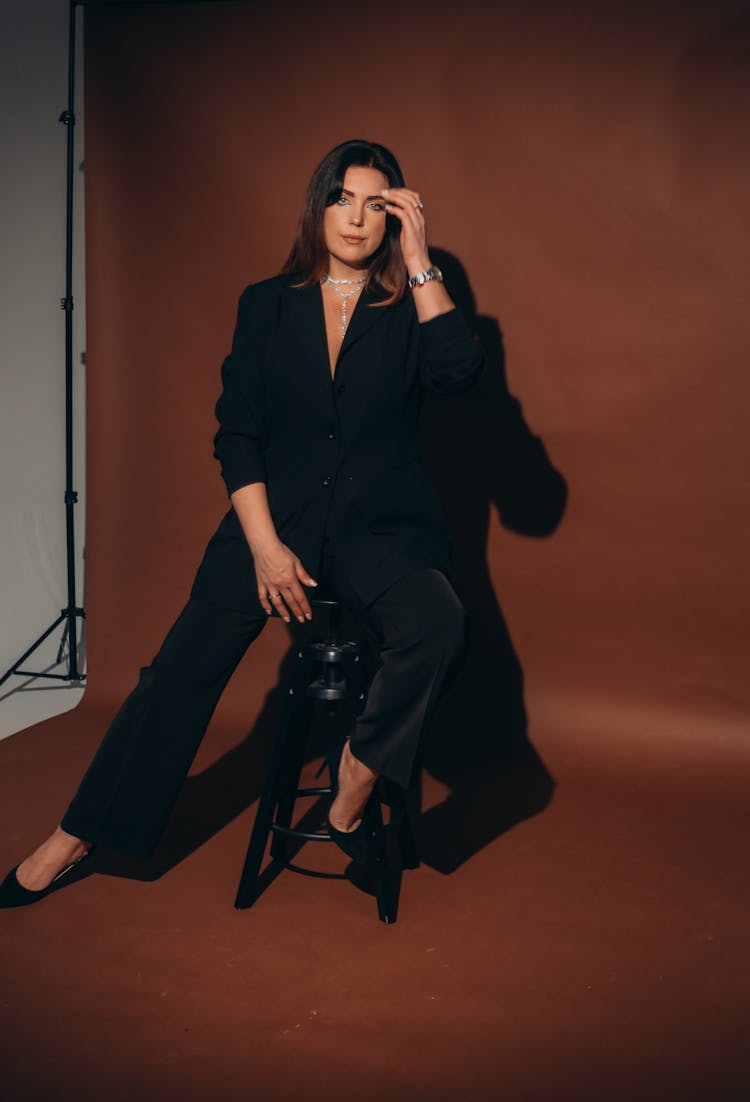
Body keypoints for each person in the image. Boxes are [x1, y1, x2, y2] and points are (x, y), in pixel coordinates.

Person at [0, 138, 485, 907]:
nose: (356, 219)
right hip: (274, 522)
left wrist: (422, 259)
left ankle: (356, 778)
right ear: (318, 205)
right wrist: (263, 546)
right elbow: (238, 433)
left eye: (375, 203)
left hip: (378, 531)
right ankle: (75, 834)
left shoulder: (409, 309)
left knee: (440, 623)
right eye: (341, 199)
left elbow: (459, 375)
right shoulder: (267, 303)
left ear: (396, 215)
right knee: (175, 678)